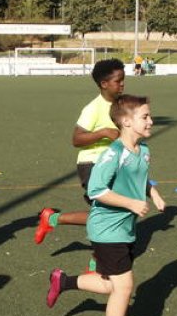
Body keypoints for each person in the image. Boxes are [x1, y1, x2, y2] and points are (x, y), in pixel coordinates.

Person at [45, 94, 166, 316]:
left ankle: (63, 281)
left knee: (112, 286)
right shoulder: (112, 154)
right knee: (124, 287)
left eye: (150, 115)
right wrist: (131, 203)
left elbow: (140, 176)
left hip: (124, 230)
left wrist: (154, 193)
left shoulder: (143, 150)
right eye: (145, 116)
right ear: (125, 121)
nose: (151, 120)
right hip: (105, 229)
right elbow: (96, 190)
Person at [35, 59, 125, 246]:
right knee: (108, 216)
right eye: (118, 81)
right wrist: (103, 133)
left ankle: (52, 219)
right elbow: (77, 139)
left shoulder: (122, 105)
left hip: (113, 164)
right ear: (104, 84)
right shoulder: (93, 108)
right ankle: (97, 264)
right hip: (92, 165)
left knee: (111, 215)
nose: (122, 84)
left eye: (123, 80)